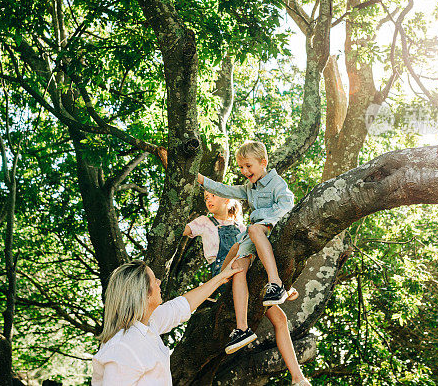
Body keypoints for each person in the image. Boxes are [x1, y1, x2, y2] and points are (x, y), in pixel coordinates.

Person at [185, 191, 311, 386]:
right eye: (205, 197)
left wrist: (287, 286)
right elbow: (181, 232)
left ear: (227, 198)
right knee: (238, 249)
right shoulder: (205, 222)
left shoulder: (244, 228)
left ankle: (298, 378)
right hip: (224, 276)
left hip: (246, 277)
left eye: (213, 195)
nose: (208, 199)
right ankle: (242, 327)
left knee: (280, 318)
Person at [196, 140, 295, 354]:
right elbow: (224, 189)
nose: (244, 171)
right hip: (254, 233)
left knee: (254, 229)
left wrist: (264, 220)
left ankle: (276, 284)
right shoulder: (249, 188)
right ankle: (242, 328)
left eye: (248, 166)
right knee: (237, 266)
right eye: (241, 167)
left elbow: (287, 205)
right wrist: (201, 179)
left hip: (271, 227)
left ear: (263, 162)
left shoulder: (276, 182)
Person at [91, 259, 242, 385]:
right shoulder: (123, 347)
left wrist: (222, 277)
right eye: (154, 280)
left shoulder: (149, 324)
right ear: (145, 295)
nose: (159, 281)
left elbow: (183, 305)